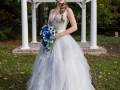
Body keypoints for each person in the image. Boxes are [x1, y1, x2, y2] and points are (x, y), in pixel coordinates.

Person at [26, 0, 96, 90]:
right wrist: (47, 34)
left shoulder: (68, 10)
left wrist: (60, 34)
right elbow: (48, 26)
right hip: (51, 40)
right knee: (47, 63)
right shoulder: (51, 11)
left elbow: (74, 27)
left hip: (63, 40)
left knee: (64, 63)